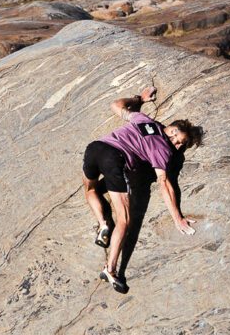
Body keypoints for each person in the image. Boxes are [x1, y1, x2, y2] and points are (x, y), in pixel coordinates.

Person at [81, 85, 203, 293]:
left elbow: (116, 105)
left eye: (181, 144)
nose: (176, 145)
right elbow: (164, 182)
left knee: (91, 189)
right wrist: (177, 218)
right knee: (125, 220)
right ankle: (110, 269)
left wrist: (140, 99)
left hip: (94, 149)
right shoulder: (163, 150)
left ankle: (103, 224)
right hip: (114, 160)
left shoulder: (145, 120)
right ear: (170, 128)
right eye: (176, 138)